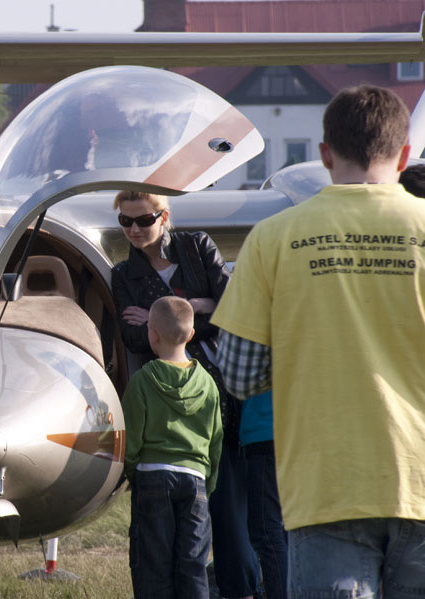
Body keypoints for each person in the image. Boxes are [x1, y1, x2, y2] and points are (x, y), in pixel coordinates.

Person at [212, 85, 425, 594]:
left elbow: (239, 375)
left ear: (325, 153)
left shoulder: (272, 238)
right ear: (404, 154)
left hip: (326, 489)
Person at [111, 190, 261, 599]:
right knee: (164, 541)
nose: (135, 230)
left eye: (144, 220)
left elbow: (233, 306)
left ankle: (240, 589)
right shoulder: (123, 274)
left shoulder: (197, 246)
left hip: (218, 395)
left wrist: (171, 311)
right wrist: (201, 306)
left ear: (164, 216)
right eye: (126, 222)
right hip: (165, 403)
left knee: (229, 514)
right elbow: (132, 335)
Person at [123, 295, 223, 599]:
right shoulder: (207, 384)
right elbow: (215, 439)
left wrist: (131, 472)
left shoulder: (141, 382)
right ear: (191, 335)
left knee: (153, 564)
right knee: (192, 564)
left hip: (152, 476)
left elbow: (131, 440)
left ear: (152, 335)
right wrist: (208, 482)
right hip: (194, 480)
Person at [239, 390, 287, 599]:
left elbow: (235, 377)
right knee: (287, 530)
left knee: (266, 531)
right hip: (292, 431)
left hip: (265, 430)